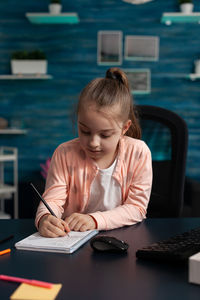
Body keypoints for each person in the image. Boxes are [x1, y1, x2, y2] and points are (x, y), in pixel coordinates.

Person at [35, 67, 152, 237]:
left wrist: (94, 220)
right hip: (72, 239)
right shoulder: (64, 153)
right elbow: (53, 200)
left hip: (122, 239)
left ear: (124, 128)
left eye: (105, 135)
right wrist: (44, 218)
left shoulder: (139, 152)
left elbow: (137, 208)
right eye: (85, 131)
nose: (93, 143)